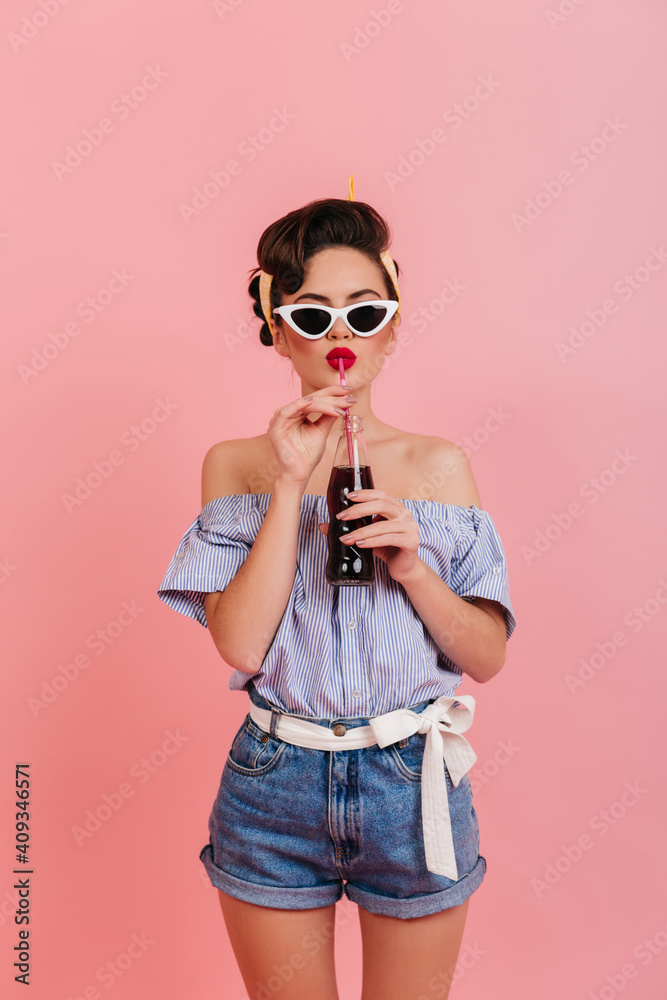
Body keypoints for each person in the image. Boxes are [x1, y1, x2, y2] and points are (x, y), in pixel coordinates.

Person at [157, 177, 517, 1000]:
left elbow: (486, 656)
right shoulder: (237, 466)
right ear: (281, 335)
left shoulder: (436, 466)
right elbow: (241, 645)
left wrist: (414, 565)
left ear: (391, 331)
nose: (340, 336)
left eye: (364, 311)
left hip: (409, 778)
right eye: (313, 315)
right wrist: (288, 486)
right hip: (273, 780)